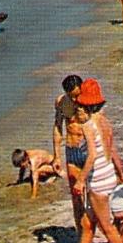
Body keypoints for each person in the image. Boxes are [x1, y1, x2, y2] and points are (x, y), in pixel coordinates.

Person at [65, 79, 123, 243]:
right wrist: (120, 174)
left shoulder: (88, 125)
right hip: (108, 174)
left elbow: (92, 156)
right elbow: (111, 149)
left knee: (106, 226)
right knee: (87, 223)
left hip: (98, 180)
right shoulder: (104, 120)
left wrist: (80, 180)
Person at [52, 75, 87, 234]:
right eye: (71, 96)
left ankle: (95, 230)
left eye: (77, 95)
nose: (75, 99)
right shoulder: (61, 102)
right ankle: (82, 236)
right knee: (76, 197)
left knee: (93, 196)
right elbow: (58, 128)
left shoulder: (89, 100)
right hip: (72, 151)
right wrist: (57, 156)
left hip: (88, 150)